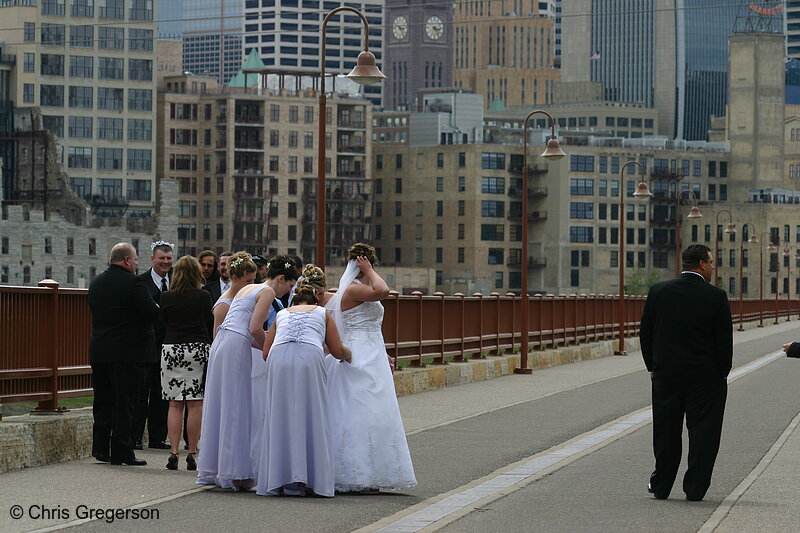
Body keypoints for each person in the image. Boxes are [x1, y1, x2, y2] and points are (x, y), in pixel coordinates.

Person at [640, 244, 733, 502]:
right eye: (712, 263)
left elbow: (645, 334)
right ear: (702, 264)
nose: (713, 268)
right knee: (704, 433)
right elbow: (724, 342)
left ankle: (661, 485)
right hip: (706, 378)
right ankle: (695, 488)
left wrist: (653, 368)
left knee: (666, 431)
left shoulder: (658, 291)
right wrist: (721, 373)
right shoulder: (716, 297)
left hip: (666, 376)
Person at [197, 255, 297, 491]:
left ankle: (215, 467)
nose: (288, 291)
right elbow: (254, 328)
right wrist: (269, 351)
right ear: (281, 279)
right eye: (290, 286)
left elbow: (241, 326)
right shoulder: (267, 292)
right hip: (235, 346)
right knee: (235, 406)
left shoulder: (249, 288)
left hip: (222, 342)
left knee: (220, 404)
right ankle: (238, 473)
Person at [325, 243, 417, 492]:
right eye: (371, 265)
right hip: (358, 354)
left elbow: (372, 325)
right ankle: (354, 473)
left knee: (376, 411)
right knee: (358, 409)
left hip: (372, 351)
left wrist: (383, 351)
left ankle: (374, 471)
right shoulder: (353, 290)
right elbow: (383, 290)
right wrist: (369, 270)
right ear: (366, 264)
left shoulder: (359, 289)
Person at [254, 283, 351, 497]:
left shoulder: (281, 314)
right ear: (315, 302)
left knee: (279, 415)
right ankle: (309, 478)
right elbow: (336, 350)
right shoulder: (323, 313)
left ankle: (278, 477)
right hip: (308, 357)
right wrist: (349, 354)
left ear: (294, 302)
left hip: (278, 358)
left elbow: (265, 353)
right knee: (311, 413)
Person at [88, 243, 159, 466]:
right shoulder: (134, 283)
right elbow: (150, 314)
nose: (137, 264)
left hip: (100, 350)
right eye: (136, 260)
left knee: (103, 401)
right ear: (127, 260)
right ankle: (122, 452)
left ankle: (100, 448)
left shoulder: (96, 282)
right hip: (128, 353)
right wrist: (155, 307)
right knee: (125, 402)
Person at [159, 256, 213, 471]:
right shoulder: (204, 296)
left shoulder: (166, 297)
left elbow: (163, 321)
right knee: (195, 403)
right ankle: (191, 451)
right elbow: (208, 322)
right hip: (197, 349)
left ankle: (173, 451)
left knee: (174, 403)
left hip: (172, 348)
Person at [133, 240, 173, 451]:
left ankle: (157, 438)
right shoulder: (140, 282)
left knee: (161, 394)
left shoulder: (177, 281)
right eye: (162, 258)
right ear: (153, 259)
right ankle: (136, 437)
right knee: (141, 393)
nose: (165, 262)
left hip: (168, 346)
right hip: (145, 345)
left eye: (168, 258)